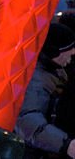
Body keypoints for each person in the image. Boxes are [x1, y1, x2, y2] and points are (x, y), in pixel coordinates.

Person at [15, 22, 75, 159]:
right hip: (32, 152)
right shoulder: (36, 79)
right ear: (54, 52)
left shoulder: (54, 69)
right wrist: (66, 144)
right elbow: (27, 120)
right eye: (69, 52)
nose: (73, 54)